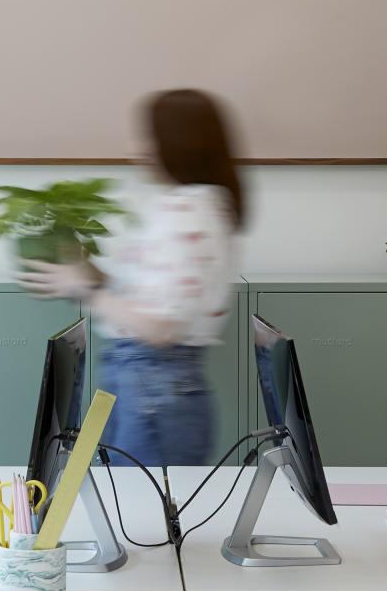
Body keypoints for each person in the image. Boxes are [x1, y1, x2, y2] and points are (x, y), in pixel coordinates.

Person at [18, 89, 243, 469]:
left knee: (144, 520)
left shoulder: (190, 213)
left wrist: (85, 289)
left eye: (150, 136)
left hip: (155, 388)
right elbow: (150, 298)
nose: (139, 147)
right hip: (146, 384)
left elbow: (161, 326)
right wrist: (89, 271)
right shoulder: (193, 206)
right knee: (132, 513)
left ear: (178, 143)